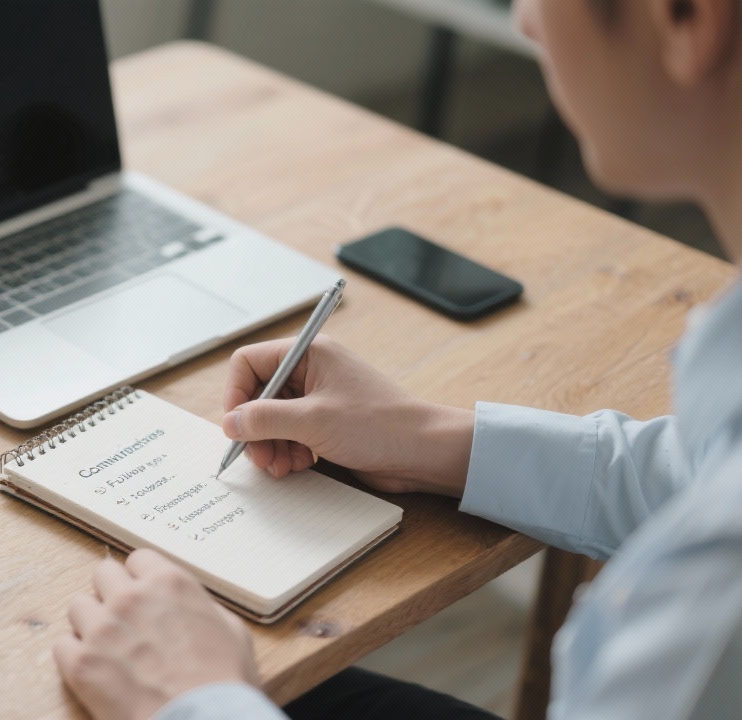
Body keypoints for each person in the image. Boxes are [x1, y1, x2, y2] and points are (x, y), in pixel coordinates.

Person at [51, 0, 742, 718]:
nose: (527, 23)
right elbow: (697, 473)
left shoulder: (717, 589)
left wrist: (192, 701)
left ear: (684, 18)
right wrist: (425, 439)